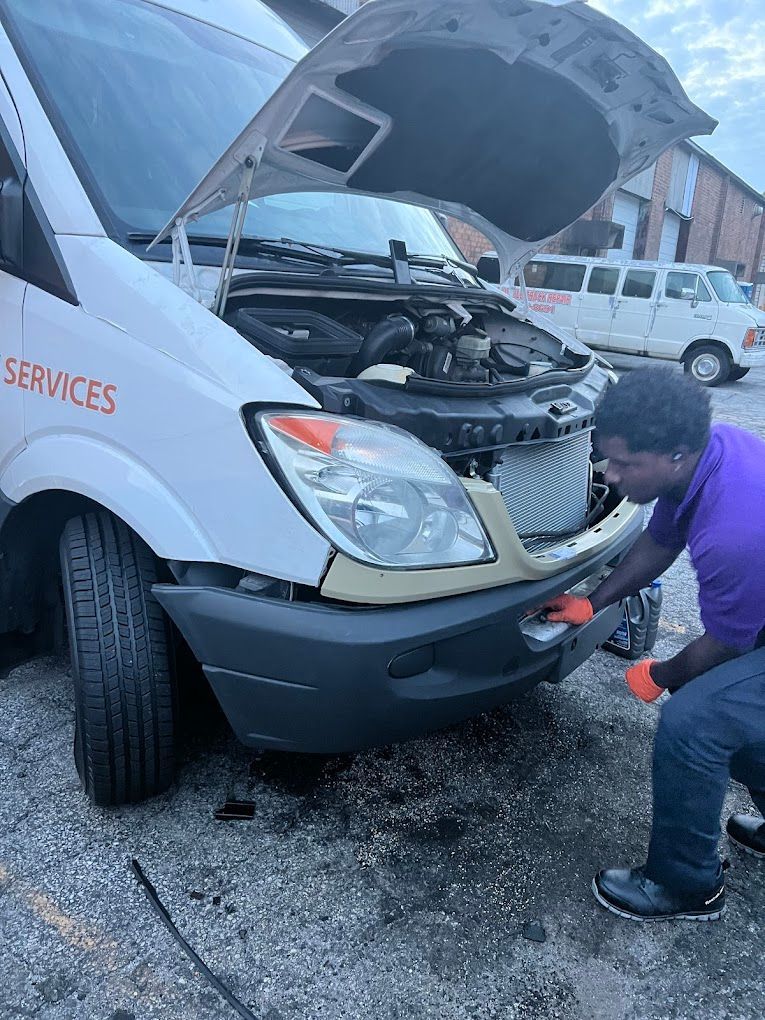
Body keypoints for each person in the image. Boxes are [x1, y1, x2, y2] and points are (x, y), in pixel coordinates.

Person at [542, 366, 765, 922]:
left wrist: (661, 675)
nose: (611, 475)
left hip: (749, 625)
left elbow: (728, 645)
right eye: (607, 458)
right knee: (734, 712)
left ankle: (686, 884)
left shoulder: (734, 532)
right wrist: (594, 601)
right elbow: (662, 539)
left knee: (696, 722)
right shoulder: (706, 454)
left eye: (625, 464)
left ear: (676, 456)